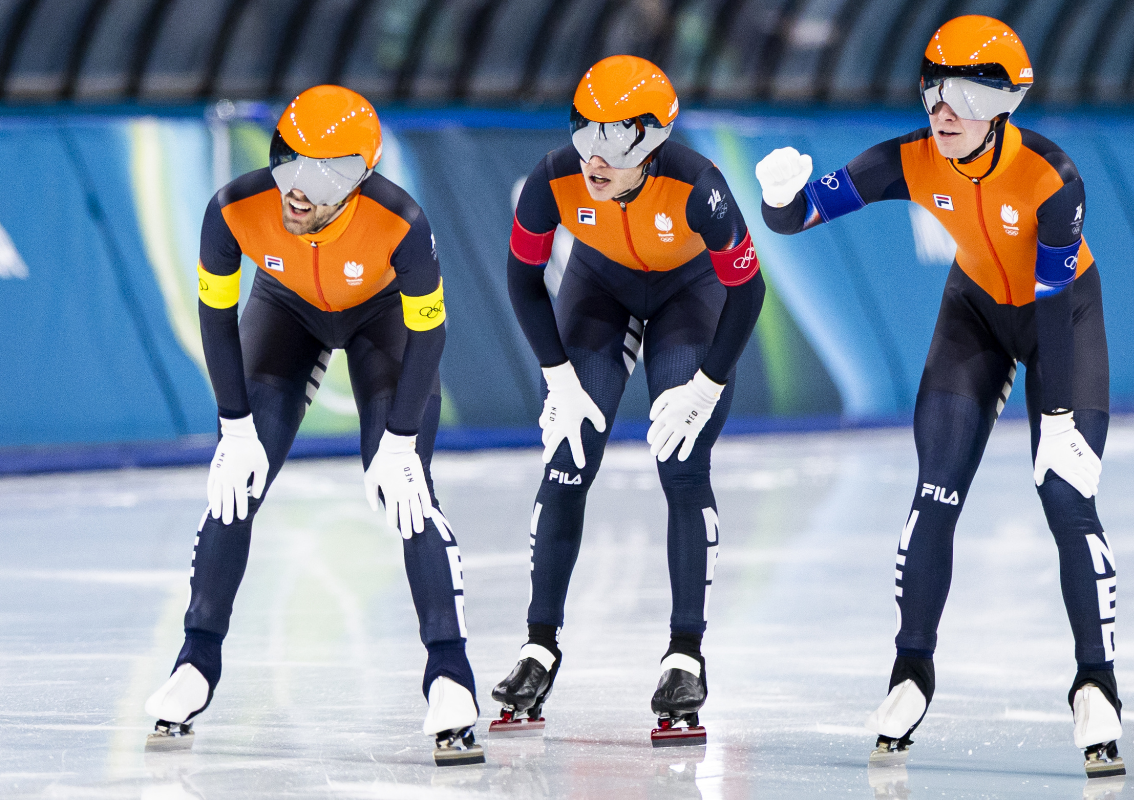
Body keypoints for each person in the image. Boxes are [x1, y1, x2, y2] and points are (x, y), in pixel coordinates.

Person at [756, 15, 1124, 779]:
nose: (940, 108)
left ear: (1005, 102)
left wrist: (1057, 418)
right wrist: (778, 199)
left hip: (1063, 319)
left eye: (960, 91)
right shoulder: (910, 159)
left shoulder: (1053, 178)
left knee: (1066, 494)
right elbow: (802, 215)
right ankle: (910, 672)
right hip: (976, 315)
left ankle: (1096, 682)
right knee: (934, 492)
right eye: (931, 87)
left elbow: (1053, 302)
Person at [143, 85, 483, 766]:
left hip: (381, 320)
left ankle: (450, 673)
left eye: (324, 174)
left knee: (409, 495)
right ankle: (194, 662)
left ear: (361, 177)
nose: (297, 190)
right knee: (235, 486)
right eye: (288, 160)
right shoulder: (235, 207)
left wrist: (403, 439)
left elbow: (429, 334)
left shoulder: (401, 222)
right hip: (285, 314)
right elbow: (216, 318)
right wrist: (234, 426)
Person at [493, 55, 765, 746]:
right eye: (585, 135)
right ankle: (539, 645)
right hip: (601, 291)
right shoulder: (553, 178)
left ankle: (685, 655)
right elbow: (523, 282)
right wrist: (556, 375)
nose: (593, 158)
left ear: (650, 141)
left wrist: (706, 385)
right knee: (567, 459)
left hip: (688, 296)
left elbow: (748, 289)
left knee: (681, 465)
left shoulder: (699, 186)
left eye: (613, 142)